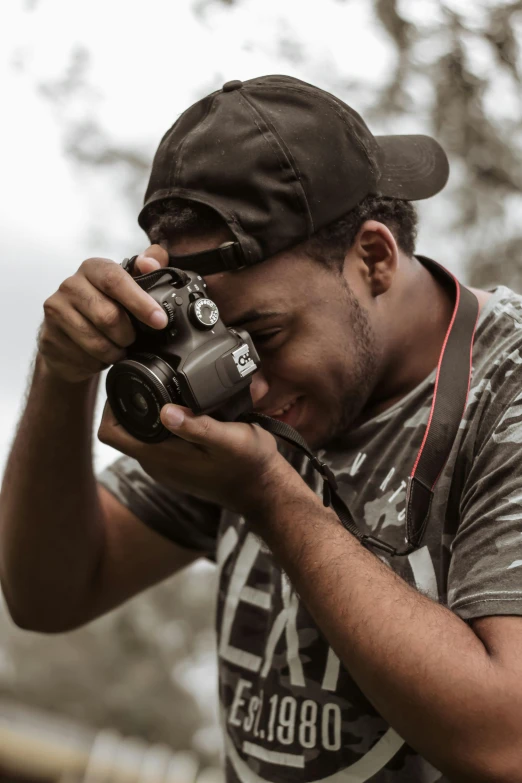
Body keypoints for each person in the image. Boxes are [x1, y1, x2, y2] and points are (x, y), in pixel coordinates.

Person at [1, 74, 521, 782]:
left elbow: (506, 740)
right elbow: (49, 593)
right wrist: (66, 376)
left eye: (266, 333)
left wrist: (271, 498)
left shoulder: (503, 389)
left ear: (373, 257)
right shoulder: (256, 390)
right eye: (220, 340)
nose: (251, 383)